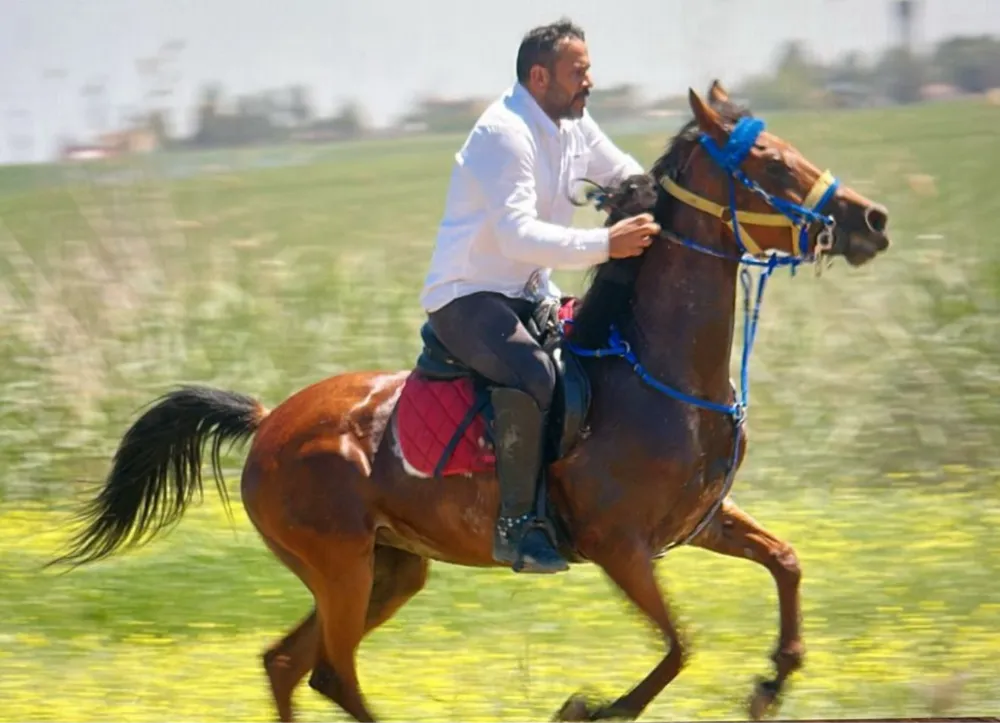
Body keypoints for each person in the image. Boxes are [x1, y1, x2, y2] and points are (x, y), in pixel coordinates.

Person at [419, 19, 661, 574]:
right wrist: (607, 242)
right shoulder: (504, 134)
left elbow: (622, 170)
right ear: (539, 75)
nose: (589, 81)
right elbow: (517, 236)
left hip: (530, 292)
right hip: (468, 297)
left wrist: (651, 195)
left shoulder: (572, 122)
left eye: (588, 70)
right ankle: (517, 527)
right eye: (579, 72)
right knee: (534, 376)